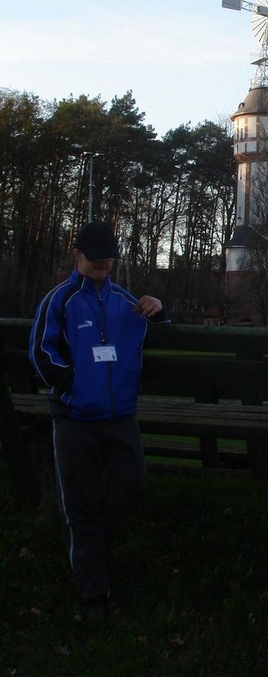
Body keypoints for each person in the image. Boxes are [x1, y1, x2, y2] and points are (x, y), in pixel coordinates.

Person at [29, 221, 170, 621]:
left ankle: (92, 550)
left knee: (131, 485)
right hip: (74, 418)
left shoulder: (126, 301)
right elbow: (42, 353)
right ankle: (93, 593)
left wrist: (159, 309)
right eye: (96, 259)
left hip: (119, 417)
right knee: (81, 503)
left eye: (108, 259)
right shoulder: (60, 300)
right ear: (77, 254)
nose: (103, 266)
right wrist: (75, 386)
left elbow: (162, 333)